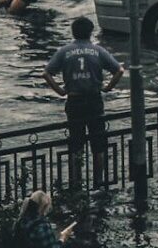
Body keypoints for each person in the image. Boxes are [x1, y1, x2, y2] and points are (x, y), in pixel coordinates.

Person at [43, 16, 124, 187]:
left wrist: (60, 90)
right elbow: (119, 70)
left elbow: (47, 73)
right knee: (98, 145)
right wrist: (108, 87)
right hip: (94, 99)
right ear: (90, 32)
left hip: (74, 100)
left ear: (73, 33)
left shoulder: (64, 51)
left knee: (76, 144)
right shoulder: (98, 50)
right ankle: (98, 181)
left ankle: (76, 182)